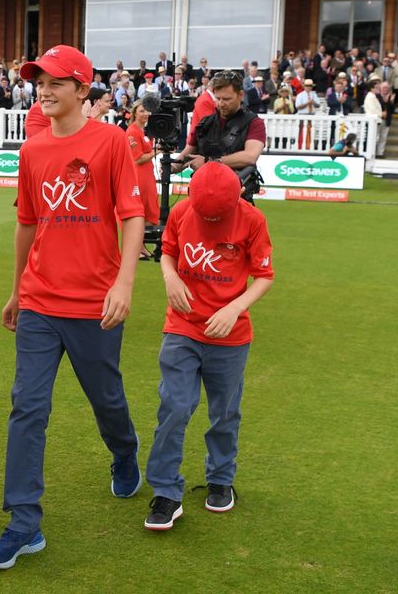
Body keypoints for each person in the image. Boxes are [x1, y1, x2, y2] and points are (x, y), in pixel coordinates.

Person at [0, 45, 144, 570]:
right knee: (27, 407)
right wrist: (15, 292)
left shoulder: (111, 141)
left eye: (54, 82)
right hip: (40, 302)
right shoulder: (32, 151)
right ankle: (23, 523)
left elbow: (133, 216)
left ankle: (124, 454)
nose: (43, 90)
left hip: (95, 303)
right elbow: (27, 224)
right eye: (38, 82)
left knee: (107, 400)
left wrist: (124, 284)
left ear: (81, 89)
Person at [144, 162, 274, 531]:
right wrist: (169, 276)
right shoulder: (183, 210)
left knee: (225, 412)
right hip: (182, 327)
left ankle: (220, 478)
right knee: (174, 406)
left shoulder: (252, 220)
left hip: (229, 336)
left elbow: (264, 276)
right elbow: (167, 251)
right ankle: (166, 491)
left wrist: (234, 308)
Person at [172, 70, 266, 203]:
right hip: (202, 195)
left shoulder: (254, 123)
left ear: (241, 95)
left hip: (236, 198)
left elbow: (250, 157)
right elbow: (187, 154)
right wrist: (171, 166)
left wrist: (208, 162)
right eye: (218, 98)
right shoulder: (205, 123)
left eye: (227, 99)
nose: (221, 103)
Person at [126, 100, 160, 225]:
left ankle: (142, 243)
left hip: (147, 175)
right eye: (142, 111)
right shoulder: (133, 131)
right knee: (144, 210)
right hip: (140, 176)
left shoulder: (144, 130)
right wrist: (157, 152)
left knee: (149, 209)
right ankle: (139, 242)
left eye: (147, 111)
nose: (145, 114)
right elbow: (138, 159)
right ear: (135, 113)